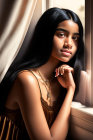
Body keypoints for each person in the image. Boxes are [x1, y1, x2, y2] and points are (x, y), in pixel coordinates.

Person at [0, 7, 85, 140]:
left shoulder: (59, 81)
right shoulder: (26, 80)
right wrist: (71, 90)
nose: (69, 44)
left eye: (75, 38)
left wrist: (70, 89)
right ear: (46, 35)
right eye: (61, 35)